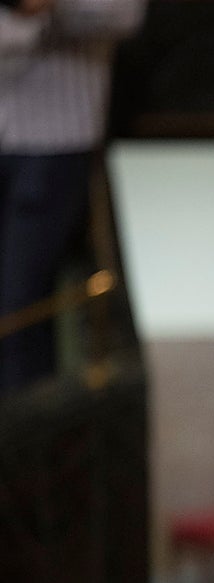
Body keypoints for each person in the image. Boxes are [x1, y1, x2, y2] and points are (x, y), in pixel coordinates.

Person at [0, 0, 145, 393]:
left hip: (57, 141)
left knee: (20, 315)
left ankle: (23, 444)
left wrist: (46, 6)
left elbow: (124, 13)